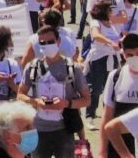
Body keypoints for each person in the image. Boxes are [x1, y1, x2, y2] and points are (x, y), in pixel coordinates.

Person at [16, 24, 90, 157]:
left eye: (50, 42)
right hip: (38, 130)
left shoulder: (72, 68)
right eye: (42, 43)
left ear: (58, 41)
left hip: (64, 130)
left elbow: (86, 100)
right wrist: (36, 101)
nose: (46, 45)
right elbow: (20, 95)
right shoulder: (32, 67)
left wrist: (66, 103)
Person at [99, 33, 138, 158]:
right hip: (119, 143)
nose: (135, 58)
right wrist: (102, 151)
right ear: (123, 54)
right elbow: (107, 115)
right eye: (130, 55)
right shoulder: (115, 76)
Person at [85, 2, 121, 120]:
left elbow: (117, 40)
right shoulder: (96, 23)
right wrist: (110, 42)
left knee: (110, 88)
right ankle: (90, 115)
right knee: (96, 89)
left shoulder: (111, 25)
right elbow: (96, 35)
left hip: (112, 58)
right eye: (110, 10)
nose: (112, 13)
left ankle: (108, 114)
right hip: (99, 59)